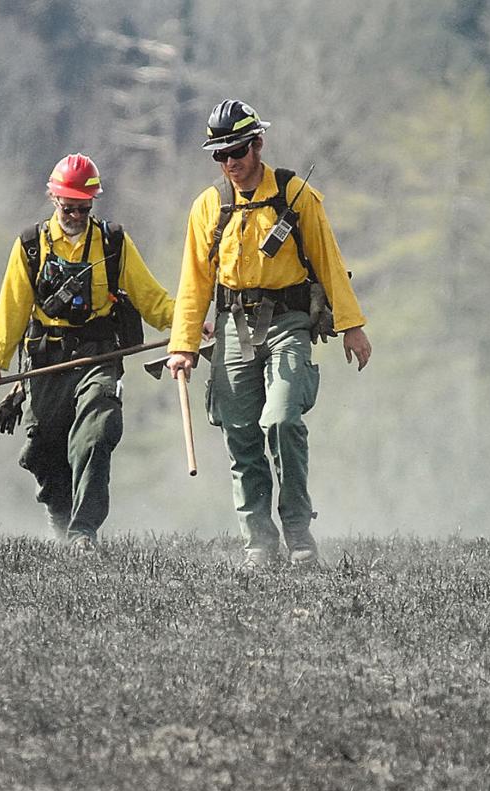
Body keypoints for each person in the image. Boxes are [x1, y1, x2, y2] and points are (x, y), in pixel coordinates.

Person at [165, 100, 372, 568]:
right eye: (220, 155)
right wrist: (183, 346)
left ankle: (298, 532)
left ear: (258, 144)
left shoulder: (296, 195)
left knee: (281, 420)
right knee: (240, 436)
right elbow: (194, 281)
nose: (230, 162)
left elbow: (329, 262)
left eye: (237, 150)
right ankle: (259, 542)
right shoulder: (208, 206)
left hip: (289, 323)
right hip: (233, 328)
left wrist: (352, 326)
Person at [0, 153, 174, 550]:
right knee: (44, 449)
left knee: (96, 432)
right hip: (45, 361)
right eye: (69, 207)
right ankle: (62, 521)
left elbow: (150, 297)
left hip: (97, 356)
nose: (77, 216)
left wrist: (187, 324)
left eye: (84, 208)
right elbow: (11, 308)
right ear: (53, 198)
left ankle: (84, 532)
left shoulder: (113, 243)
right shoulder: (30, 246)